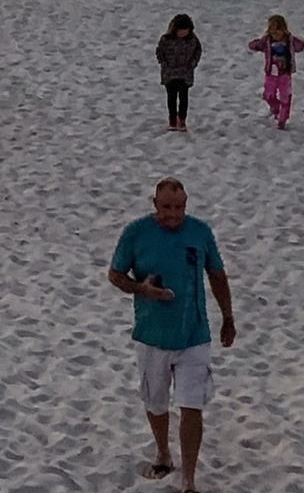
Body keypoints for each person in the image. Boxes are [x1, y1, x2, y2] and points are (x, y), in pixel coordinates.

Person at [107, 177, 235, 493]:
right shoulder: (136, 232)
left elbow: (217, 275)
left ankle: (189, 480)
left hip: (194, 334)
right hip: (151, 334)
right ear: (155, 204)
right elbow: (115, 274)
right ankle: (163, 452)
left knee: (192, 404)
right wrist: (141, 290)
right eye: (166, 207)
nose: (173, 214)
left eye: (179, 207)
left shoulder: (200, 231)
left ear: (186, 204)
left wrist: (228, 318)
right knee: (156, 401)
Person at [248, 14, 294, 129]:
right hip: (271, 73)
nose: (276, 35)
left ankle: (282, 119)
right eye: (273, 32)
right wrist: (254, 44)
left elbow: (300, 45)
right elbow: (255, 45)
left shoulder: (289, 40)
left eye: (279, 32)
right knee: (268, 95)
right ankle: (275, 107)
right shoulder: (267, 41)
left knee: (285, 96)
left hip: (285, 74)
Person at [156, 14, 201, 132]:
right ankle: (172, 119)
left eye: (185, 31)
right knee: (171, 97)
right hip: (169, 73)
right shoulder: (166, 40)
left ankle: (182, 119)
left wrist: (192, 65)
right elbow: (159, 52)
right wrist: (164, 64)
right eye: (180, 30)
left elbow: (197, 52)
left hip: (185, 73)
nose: (182, 33)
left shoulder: (192, 41)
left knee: (183, 96)